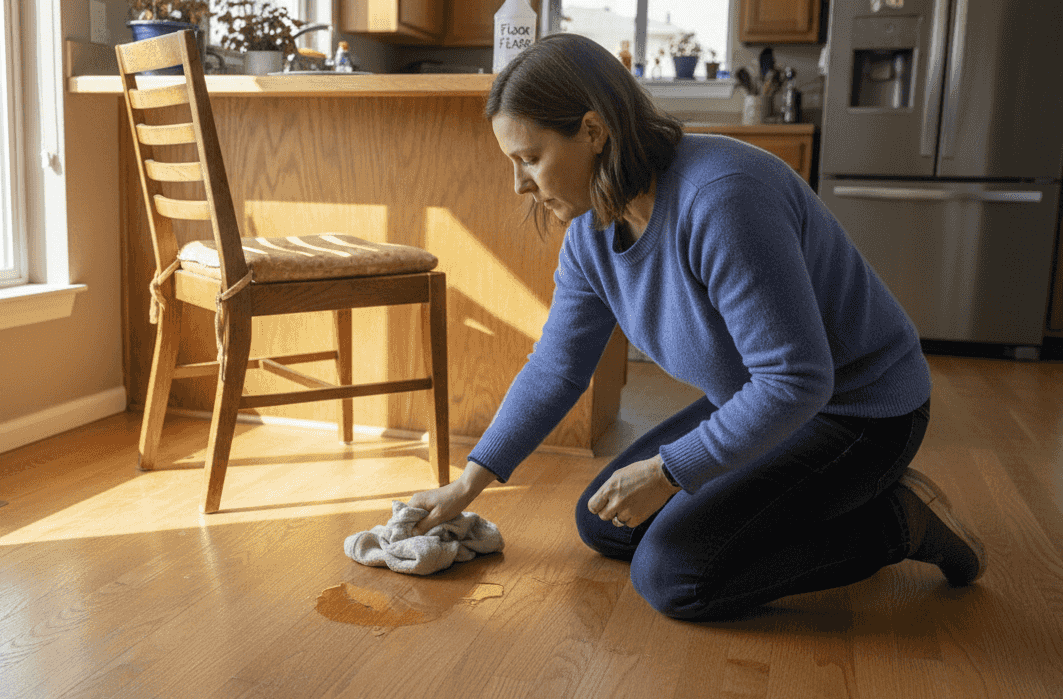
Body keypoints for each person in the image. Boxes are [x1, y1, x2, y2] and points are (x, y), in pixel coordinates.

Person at [408, 34, 985, 621]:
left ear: (592, 131)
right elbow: (557, 366)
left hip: (858, 411)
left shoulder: (722, 199)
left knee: (673, 578)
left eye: (529, 159)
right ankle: (810, 506)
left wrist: (668, 470)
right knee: (603, 522)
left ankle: (899, 522)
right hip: (764, 402)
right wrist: (469, 483)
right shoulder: (592, 233)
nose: (519, 185)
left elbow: (797, 380)